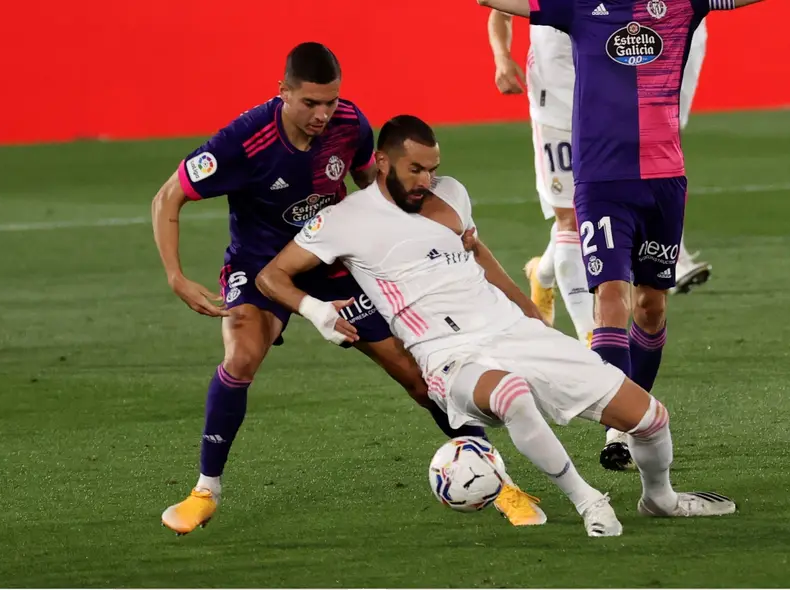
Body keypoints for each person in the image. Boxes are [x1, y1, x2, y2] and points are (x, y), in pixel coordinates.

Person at [255, 115, 737, 536]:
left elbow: (476, 253)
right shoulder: (344, 220)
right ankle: (587, 499)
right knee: (512, 397)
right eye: (415, 169)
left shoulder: (453, 194)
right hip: (446, 352)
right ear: (382, 162)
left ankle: (661, 498)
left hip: (512, 330)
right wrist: (316, 311)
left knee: (651, 418)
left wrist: (527, 309)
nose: (427, 178)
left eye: (433, 168)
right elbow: (271, 275)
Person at [151, 43, 535, 535]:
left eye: (330, 101)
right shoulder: (243, 143)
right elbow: (169, 196)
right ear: (283, 93)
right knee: (242, 356)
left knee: (420, 376)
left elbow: (375, 195)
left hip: (331, 260)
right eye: (310, 103)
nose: (323, 114)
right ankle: (205, 490)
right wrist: (175, 276)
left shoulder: (351, 125)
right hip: (261, 264)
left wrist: (439, 230)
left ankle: (498, 483)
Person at [477, 0, 765, 471]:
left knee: (651, 305)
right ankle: (619, 419)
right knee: (609, 292)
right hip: (599, 172)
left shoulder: (680, 6)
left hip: (663, 178)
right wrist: (501, 55)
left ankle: (548, 279)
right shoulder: (576, 8)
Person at [485, 7, 711, 345]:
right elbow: (498, 11)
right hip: (556, 104)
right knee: (570, 220)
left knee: (592, 215)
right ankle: (590, 346)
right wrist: (502, 58)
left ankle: (542, 272)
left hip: (609, 105)